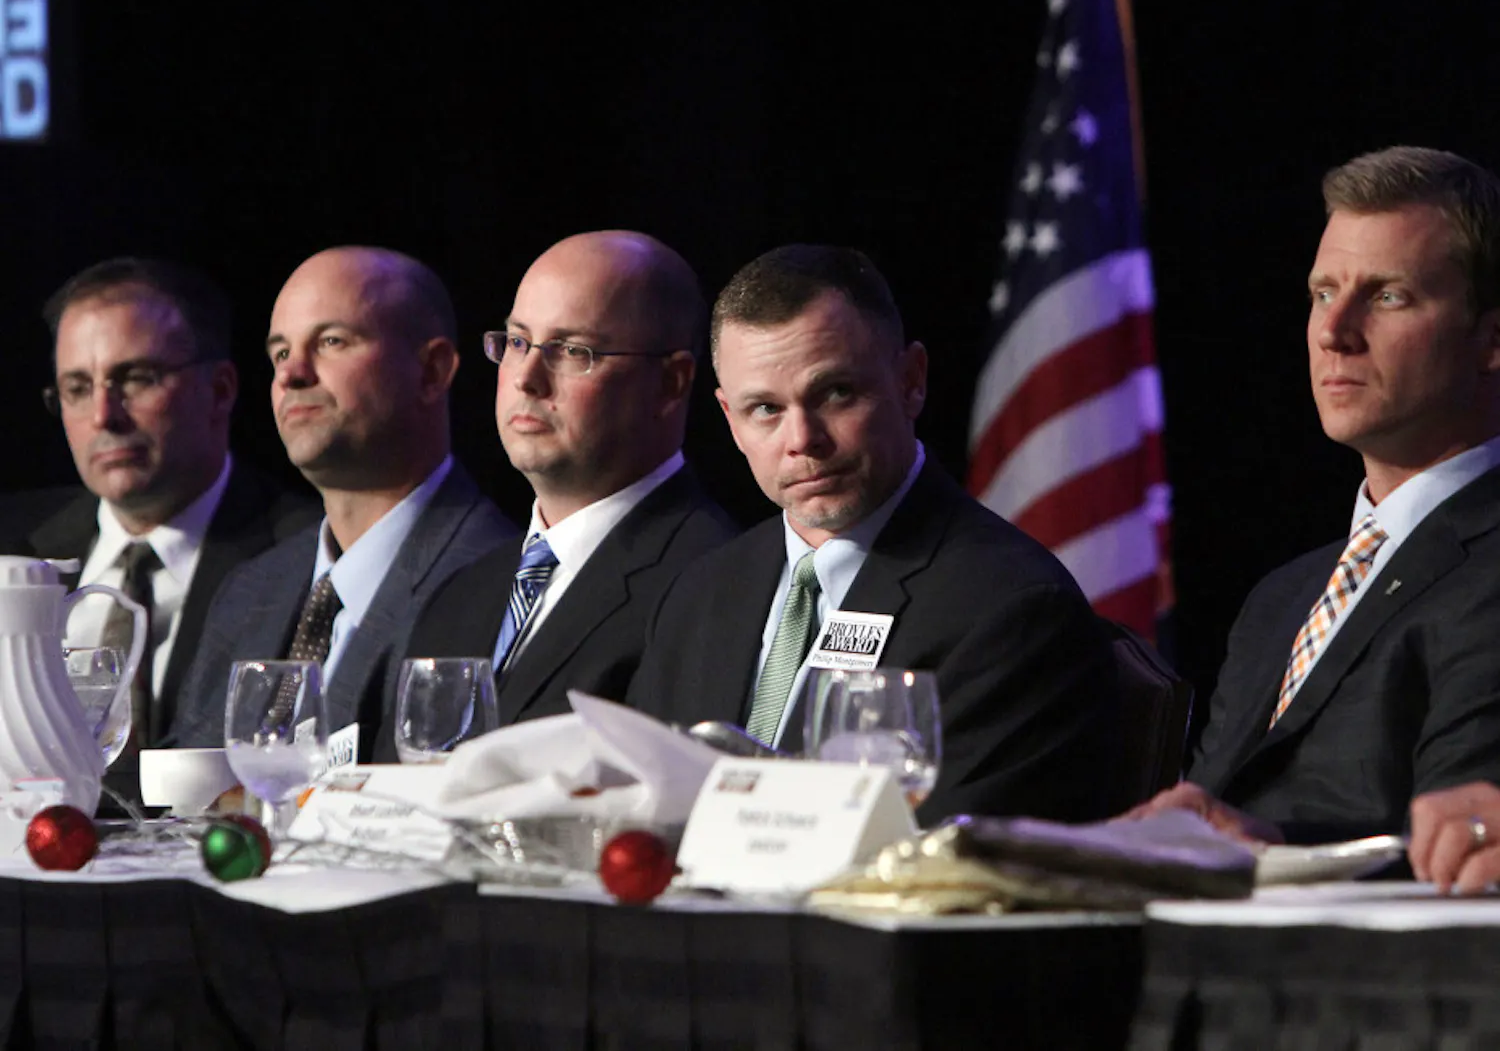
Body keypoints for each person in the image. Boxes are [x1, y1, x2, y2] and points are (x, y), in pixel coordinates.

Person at [626, 244, 1119, 825]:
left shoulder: (1010, 610)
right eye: (766, 409)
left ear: (911, 382)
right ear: (729, 420)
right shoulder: (699, 593)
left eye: (835, 393)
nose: (802, 439)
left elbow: (941, 864)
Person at [1129, 146, 1500, 845]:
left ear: (1491, 338)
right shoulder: (1281, 599)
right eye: (1323, 292)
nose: (1334, 332)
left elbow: (1464, 857)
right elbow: (1206, 818)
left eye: (1388, 296)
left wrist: (1273, 856)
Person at [377, 231, 737, 756]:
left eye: (572, 350)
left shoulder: (711, 585)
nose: (525, 377)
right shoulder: (461, 595)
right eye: (518, 342)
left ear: (671, 384)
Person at [166, 246, 516, 754]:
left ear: (433, 371)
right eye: (280, 353)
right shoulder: (250, 589)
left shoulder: (495, 582)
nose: (292, 374)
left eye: (331, 341)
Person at [0, 258, 318, 748]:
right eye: (78, 389)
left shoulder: (305, 556)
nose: (104, 416)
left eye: (135, 378)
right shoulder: (12, 545)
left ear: (220, 390)